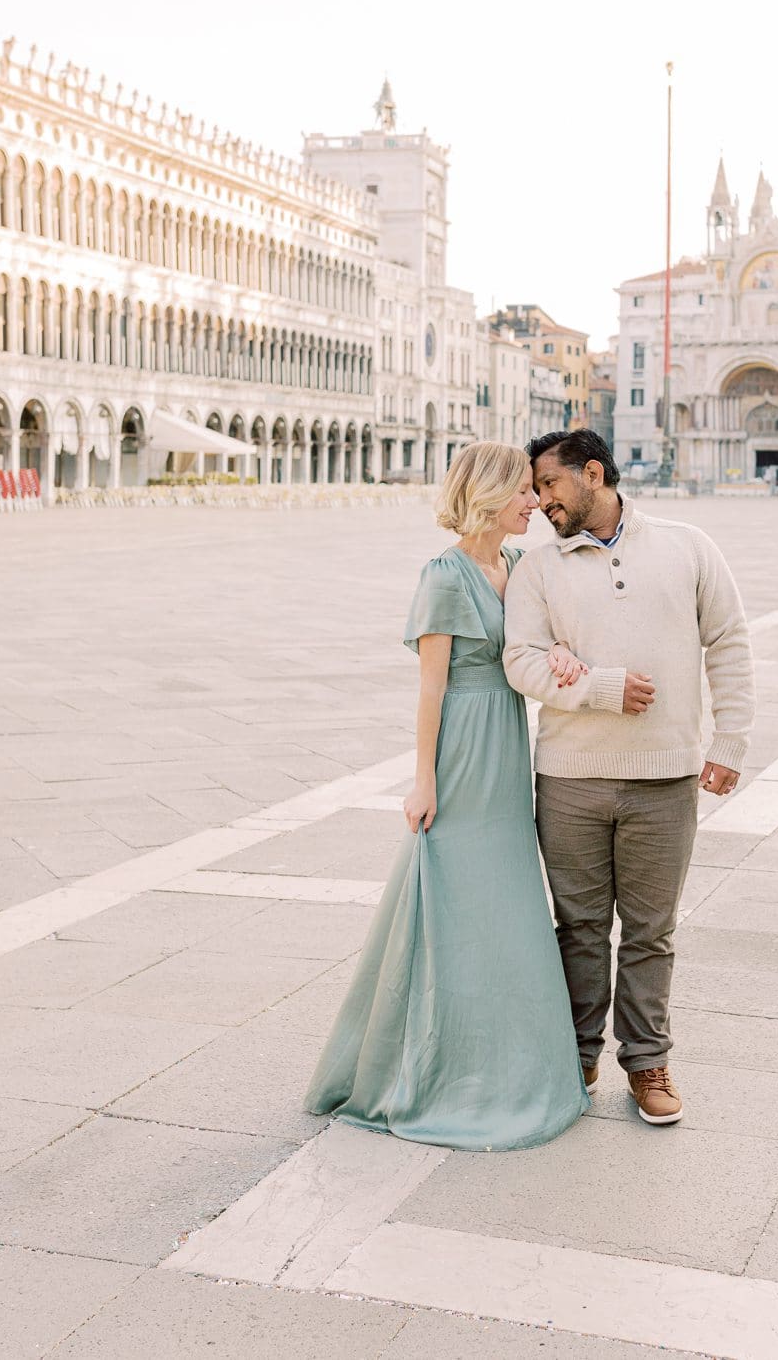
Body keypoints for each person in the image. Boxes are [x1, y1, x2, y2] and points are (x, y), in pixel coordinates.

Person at [303, 442, 590, 1150]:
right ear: (491, 494)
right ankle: (440, 1064)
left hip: (506, 745)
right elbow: (431, 687)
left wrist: (555, 652)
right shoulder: (445, 575)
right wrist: (423, 778)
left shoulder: (520, 566)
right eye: (524, 491)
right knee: (454, 898)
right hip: (462, 746)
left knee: (509, 901)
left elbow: (534, 642)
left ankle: (511, 1060)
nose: (536, 501)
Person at [503, 429, 755, 1127]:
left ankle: (647, 1062)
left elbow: (729, 639)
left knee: (651, 931)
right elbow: (519, 660)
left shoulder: (688, 546)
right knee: (578, 927)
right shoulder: (536, 568)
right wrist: (599, 689)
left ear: (593, 472)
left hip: (664, 778)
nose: (540, 500)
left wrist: (730, 737)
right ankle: (577, 1054)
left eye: (549, 484)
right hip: (569, 779)